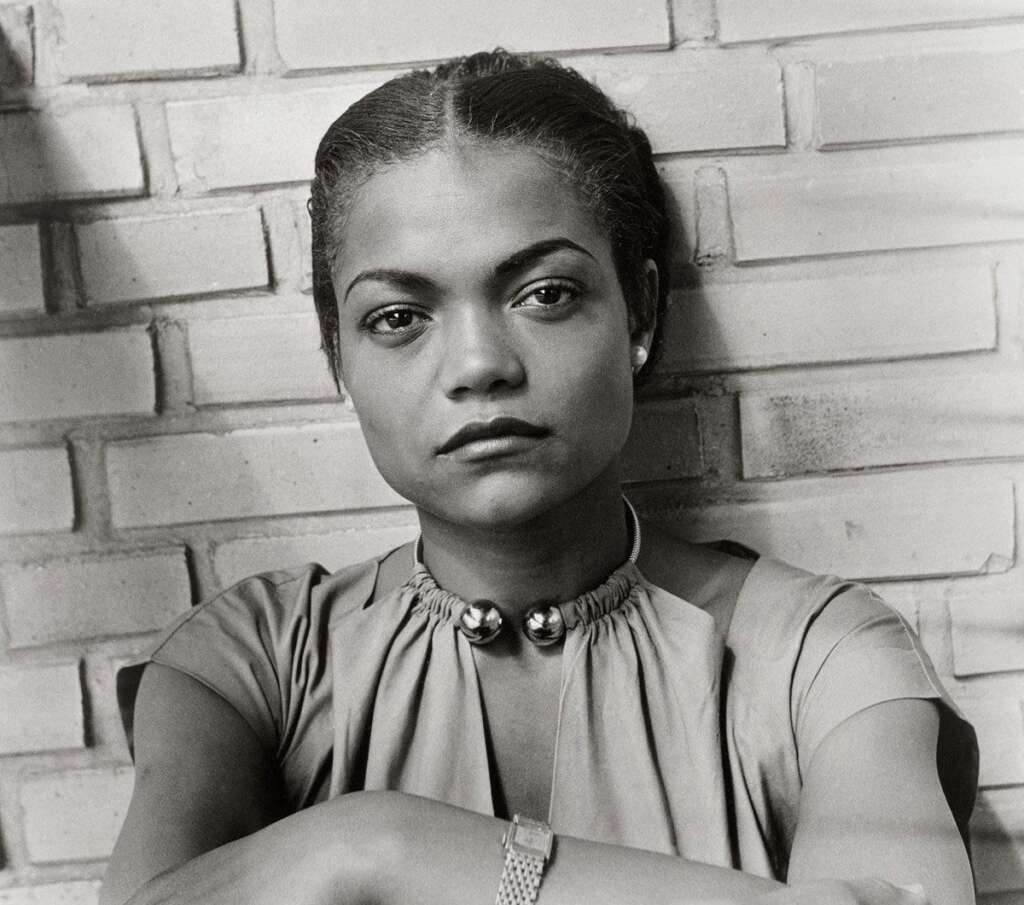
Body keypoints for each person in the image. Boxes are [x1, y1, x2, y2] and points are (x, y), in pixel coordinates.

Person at [100, 50, 977, 905]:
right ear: (339, 358)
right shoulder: (249, 664)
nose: (479, 364)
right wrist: (364, 838)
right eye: (399, 316)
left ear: (639, 311)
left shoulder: (820, 659)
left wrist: (378, 854)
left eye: (544, 294)